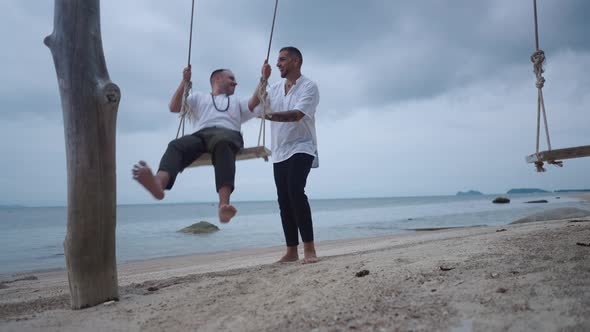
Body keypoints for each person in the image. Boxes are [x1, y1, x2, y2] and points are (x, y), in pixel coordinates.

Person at [133, 66, 260, 223]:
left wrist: (263, 79)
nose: (236, 83)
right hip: (201, 135)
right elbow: (174, 107)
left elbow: (255, 101)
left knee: (223, 144)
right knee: (176, 145)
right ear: (217, 79)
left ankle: (223, 205)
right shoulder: (199, 97)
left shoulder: (237, 101)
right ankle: (158, 183)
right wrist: (184, 82)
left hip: (228, 134)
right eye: (231, 79)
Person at [251, 47, 320, 264]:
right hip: (279, 151)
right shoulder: (275, 87)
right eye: (277, 60)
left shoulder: (309, 86)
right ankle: (291, 251)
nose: (278, 63)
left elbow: (296, 115)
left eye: (282, 59)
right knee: (283, 200)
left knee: (295, 192)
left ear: (296, 61)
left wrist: (267, 115)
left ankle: (310, 249)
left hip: (302, 146)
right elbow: (254, 105)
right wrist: (262, 79)